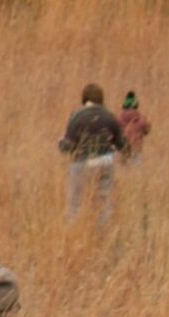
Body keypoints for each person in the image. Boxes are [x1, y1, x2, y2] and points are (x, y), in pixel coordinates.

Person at [58, 83, 127, 223]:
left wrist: (60, 142)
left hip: (82, 163)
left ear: (84, 99)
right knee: (104, 202)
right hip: (105, 162)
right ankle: (103, 234)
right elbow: (122, 145)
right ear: (101, 99)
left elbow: (68, 147)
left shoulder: (77, 116)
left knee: (75, 203)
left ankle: (74, 229)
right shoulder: (110, 116)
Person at [119, 90, 152, 162]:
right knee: (136, 171)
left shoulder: (120, 119)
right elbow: (147, 130)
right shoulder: (141, 119)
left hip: (124, 151)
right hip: (136, 150)